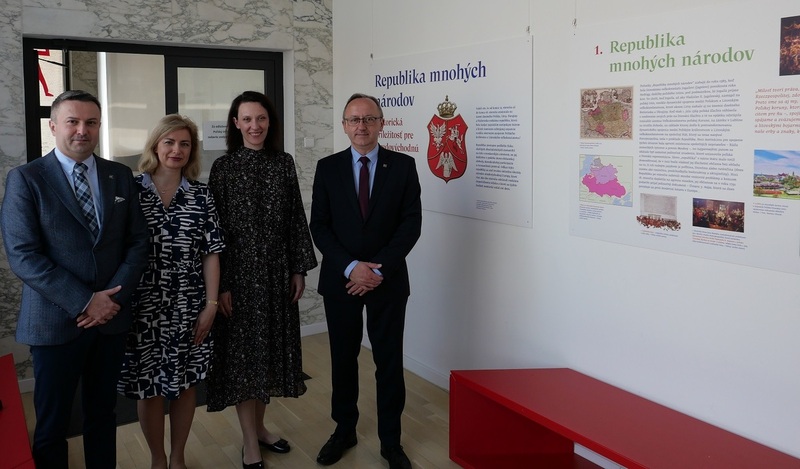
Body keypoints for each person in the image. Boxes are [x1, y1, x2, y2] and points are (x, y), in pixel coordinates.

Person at [0, 89, 149, 469]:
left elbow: (137, 241)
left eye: (91, 122)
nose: (82, 130)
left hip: (110, 322)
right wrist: (86, 301)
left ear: (99, 127)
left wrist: (110, 300)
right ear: (53, 126)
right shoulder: (27, 179)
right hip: (54, 322)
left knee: (104, 415)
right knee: (53, 425)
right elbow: (24, 256)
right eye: (73, 121)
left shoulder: (119, 176)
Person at [309, 93, 422, 469]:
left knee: (389, 362)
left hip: (386, 283)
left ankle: (391, 441)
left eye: (369, 119)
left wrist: (377, 270)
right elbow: (320, 226)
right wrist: (351, 267)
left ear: (381, 123)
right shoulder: (328, 168)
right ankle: (344, 431)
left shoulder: (403, 166)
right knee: (343, 359)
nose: (362, 126)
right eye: (354, 120)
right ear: (344, 125)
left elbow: (411, 225)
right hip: (341, 281)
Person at [206, 91, 318, 469]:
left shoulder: (283, 163)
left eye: (262, 119)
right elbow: (214, 233)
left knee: (267, 357)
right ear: (235, 124)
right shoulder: (223, 168)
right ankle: (249, 443)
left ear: (270, 122)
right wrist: (220, 285)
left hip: (276, 278)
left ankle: (263, 428)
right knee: (244, 363)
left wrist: (298, 268)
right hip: (238, 280)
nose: (255, 126)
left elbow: (295, 219)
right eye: (247, 119)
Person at [117, 114, 225, 469]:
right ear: (155, 145)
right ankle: (158, 458)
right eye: (169, 142)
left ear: (192, 150)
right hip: (142, 307)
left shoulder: (201, 195)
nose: (176, 150)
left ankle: (178, 456)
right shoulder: (129, 192)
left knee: (185, 382)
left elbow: (211, 253)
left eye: (184, 144)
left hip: (189, 305)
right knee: (148, 386)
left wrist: (210, 304)